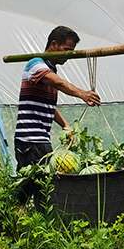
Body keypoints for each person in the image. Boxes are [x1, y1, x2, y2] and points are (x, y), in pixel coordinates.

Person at [14, 25, 101, 204]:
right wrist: (82, 94)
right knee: (37, 189)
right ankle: (12, 218)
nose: (68, 55)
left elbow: (47, 105)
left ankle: (15, 217)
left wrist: (65, 125)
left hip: (40, 139)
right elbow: (59, 84)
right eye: (66, 50)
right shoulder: (36, 64)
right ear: (53, 44)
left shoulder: (50, 70)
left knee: (36, 186)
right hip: (30, 140)